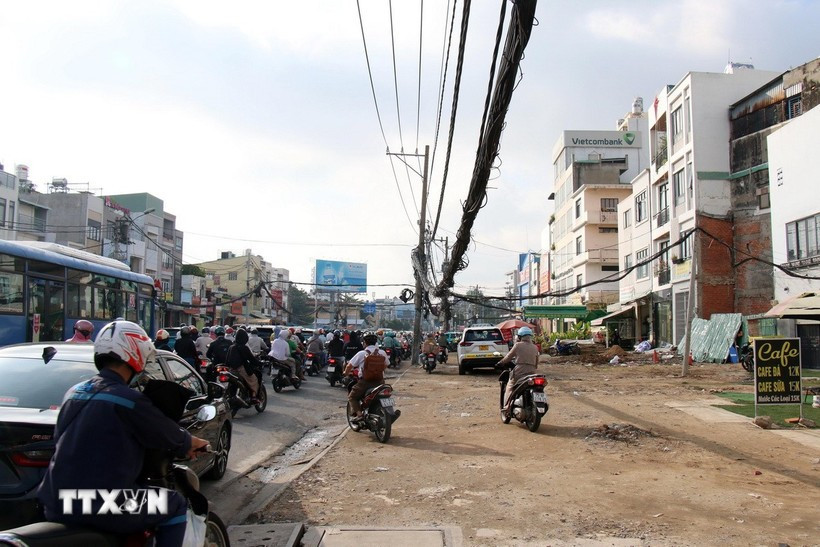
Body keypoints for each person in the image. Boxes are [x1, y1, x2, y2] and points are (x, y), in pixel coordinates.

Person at [37, 320, 209, 547]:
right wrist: (191, 442)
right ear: (135, 353)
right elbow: (167, 433)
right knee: (174, 504)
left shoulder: (73, 393)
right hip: (103, 503)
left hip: (54, 500)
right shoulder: (127, 400)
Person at [346, 332, 389, 421]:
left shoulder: (361, 353)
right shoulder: (382, 352)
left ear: (365, 342)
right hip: (380, 381)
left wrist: (345, 373)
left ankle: (359, 415)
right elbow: (386, 364)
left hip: (365, 382)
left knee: (352, 397)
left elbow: (349, 366)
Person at [496, 326, 540, 411]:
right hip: (532, 372)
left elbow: (508, 357)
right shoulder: (535, 347)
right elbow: (536, 363)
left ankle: (506, 407)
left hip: (519, 372)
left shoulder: (517, 345)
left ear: (520, 337)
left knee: (510, 386)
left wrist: (500, 362)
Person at [224, 328, 262, 403]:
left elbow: (227, 360)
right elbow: (252, 359)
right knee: (254, 380)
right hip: (241, 369)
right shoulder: (244, 348)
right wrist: (259, 363)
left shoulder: (231, 347)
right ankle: (254, 396)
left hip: (231, 370)